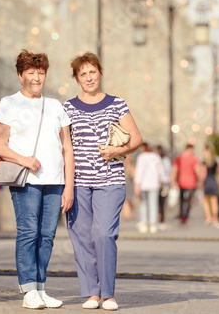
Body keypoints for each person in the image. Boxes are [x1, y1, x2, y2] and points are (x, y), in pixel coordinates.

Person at [0, 50, 75, 310]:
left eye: (41, 72)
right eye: (31, 72)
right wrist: (26, 160)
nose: (36, 77)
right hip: (26, 180)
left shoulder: (55, 106)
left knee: (48, 236)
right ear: (20, 75)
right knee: (28, 233)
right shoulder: (8, 103)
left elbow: (67, 148)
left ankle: (41, 288)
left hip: (55, 180)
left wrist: (69, 186)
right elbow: (0, 145)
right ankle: (28, 289)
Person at [62, 52, 142, 311]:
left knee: (104, 234)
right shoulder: (67, 108)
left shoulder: (117, 104)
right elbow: (63, 147)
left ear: (100, 73)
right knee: (82, 237)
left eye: (92, 72)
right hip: (78, 183)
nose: (88, 78)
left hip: (110, 180)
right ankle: (91, 293)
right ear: (77, 78)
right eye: (82, 74)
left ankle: (108, 293)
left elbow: (136, 139)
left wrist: (116, 151)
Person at [134, 142, 165, 234]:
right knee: (153, 204)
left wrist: (137, 184)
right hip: (154, 183)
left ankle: (144, 223)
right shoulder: (156, 157)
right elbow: (160, 171)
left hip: (143, 184)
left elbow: (139, 171)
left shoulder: (142, 157)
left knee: (143, 204)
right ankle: (153, 224)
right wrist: (161, 181)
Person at [170, 144, 200, 225]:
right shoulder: (194, 158)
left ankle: (182, 215)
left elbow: (174, 170)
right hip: (191, 182)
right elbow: (197, 171)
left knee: (181, 200)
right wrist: (199, 180)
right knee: (189, 200)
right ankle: (185, 216)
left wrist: (173, 181)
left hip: (181, 182)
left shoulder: (179, 157)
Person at [199, 146, 219, 225]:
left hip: (207, 181)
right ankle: (215, 218)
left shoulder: (204, 163)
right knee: (214, 201)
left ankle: (208, 217)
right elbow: (218, 174)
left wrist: (200, 182)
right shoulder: (215, 163)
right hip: (214, 181)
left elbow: (203, 175)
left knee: (205, 201)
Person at [155, 145, 172, 230]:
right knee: (157, 203)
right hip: (157, 184)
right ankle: (158, 219)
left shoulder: (165, 160)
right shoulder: (156, 159)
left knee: (161, 203)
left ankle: (161, 219)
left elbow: (168, 171)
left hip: (163, 183)